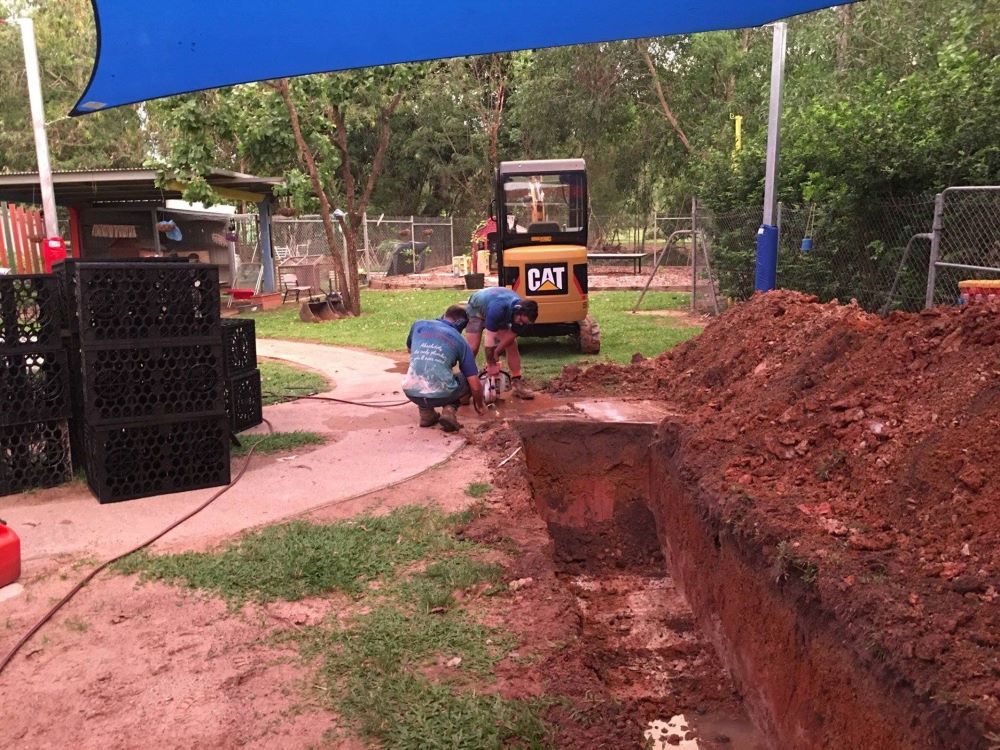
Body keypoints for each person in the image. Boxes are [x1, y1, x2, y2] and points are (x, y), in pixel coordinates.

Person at [402, 305, 484, 432]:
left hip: (411, 391)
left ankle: (426, 415)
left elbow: (409, 349)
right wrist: (480, 406)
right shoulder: (461, 342)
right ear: (460, 324)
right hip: (442, 395)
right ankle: (449, 411)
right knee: (465, 378)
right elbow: (475, 385)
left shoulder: (418, 325)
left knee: (422, 373)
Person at [464, 286, 539, 399]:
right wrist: (491, 363)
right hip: (477, 308)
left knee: (512, 345)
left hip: (498, 308)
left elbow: (511, 335)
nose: (521, 324)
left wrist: (497, 351)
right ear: (517, 312)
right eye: (520, 321)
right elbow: (489, 338)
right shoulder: (498, 309)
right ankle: (464, 387)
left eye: (525, 323)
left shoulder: (522, 317)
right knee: (472, 348)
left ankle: (516, 383)